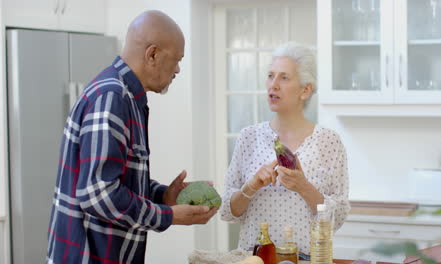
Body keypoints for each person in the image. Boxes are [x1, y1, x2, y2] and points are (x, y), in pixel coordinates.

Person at [47, 10, 218, 263]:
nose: (178, 69)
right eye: (176, 60)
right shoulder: (112, 97)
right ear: (152, 54)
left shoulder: (129, 98)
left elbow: (118, 181)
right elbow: (99, 194)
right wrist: (168, 216)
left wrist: (163, 196)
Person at [220, 42, 350, 260]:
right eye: (270, 76)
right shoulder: (249, 137)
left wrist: (303, 187)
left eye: (284, 78)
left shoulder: (328, 142)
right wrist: (250, 187)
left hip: (307, 259)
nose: (273, 85)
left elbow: (337, 218)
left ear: (305, 90)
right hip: (254, 260)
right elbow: (227, 211)